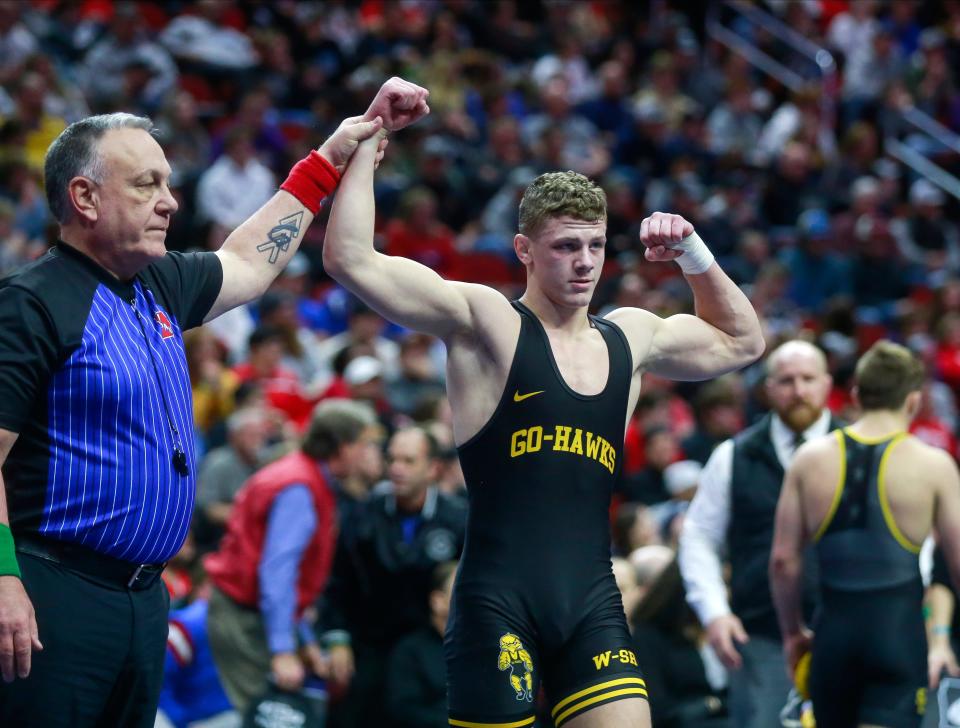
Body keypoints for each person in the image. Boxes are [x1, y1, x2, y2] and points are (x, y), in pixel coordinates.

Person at [0, 76, 430, 728]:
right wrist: (3, 581)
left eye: (169, 183)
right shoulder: (31, 303)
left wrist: (335, 155)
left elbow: (252, 263)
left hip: (145, 597)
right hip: (51, 589)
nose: (170, 202)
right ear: (84, 197)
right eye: (145, 184)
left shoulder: (158, 282)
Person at [323, 125, 764, 726]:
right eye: (564, 247)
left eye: (595, 245)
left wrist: (693, 254)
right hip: (496, 604)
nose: (584, 263)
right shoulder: (488, 323)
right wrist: (364, 149)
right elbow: (350, 259)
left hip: (591, 602)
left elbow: (743, 341)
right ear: (524, 250)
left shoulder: (630, 335)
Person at [770, 340, 960, 728]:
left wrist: (792, 632)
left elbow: (783, 561)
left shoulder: (809, 460)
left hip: (832, 638)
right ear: (913, 400)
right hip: (897, 637)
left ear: (856, 395)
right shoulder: (933, 465)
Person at [678, 340, 841, 728]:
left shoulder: (859, 451)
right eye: (786, 380)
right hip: (760, 638)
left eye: (807, 379)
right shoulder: (733, 456)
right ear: (768, 389)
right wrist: (714, 612)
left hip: (848, 634)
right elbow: (699, 536)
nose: (798, 390)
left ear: (826, 384)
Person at [203, 398, 379, 713]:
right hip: (243, 618)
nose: (368, 454)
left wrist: (306, 640)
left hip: (254, 613)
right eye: (363, 444)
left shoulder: (307, 475)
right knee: (267, 716)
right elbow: (277, 574)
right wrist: (283, 650)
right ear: (341, 446)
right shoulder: (298, 489)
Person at [322, 426, 467, 728]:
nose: (397, 469)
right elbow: (338, 584)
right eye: (392, 459)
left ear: (433, 468)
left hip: (434, 648)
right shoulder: (361, 515)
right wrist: (337, 639)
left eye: (409, 461)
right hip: (370, 643)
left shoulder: (458, 519)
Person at [385, 560, 459, 728]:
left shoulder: (484, 649)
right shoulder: (410, 651)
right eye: (461, 589)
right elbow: (403, 711)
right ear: (437, 601)